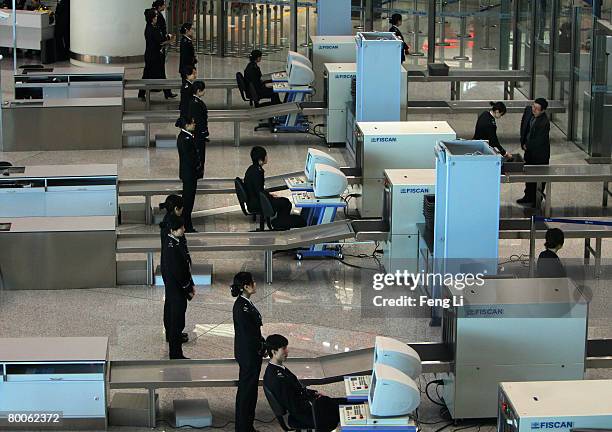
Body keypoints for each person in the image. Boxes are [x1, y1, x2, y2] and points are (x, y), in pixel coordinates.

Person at [263, 334, 349, 432]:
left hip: (305, 405)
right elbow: (294, 406)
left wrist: (312, 394)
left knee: (342, 402)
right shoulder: (277, 378)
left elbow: (296, 390)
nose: (287, 351)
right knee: (341, 410)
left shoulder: (277, 369)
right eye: (284, 348)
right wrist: (313, 402)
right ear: (274, 352)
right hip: (304, 414)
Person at [232, 272, 265, 432]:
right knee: (247, 393)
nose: (255, 284)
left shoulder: (245, 303)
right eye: (253, 282)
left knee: (250, 392)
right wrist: (261, 348)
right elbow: (249, 335)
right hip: (249, 355)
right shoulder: (242, 307)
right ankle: (243, 427)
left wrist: (263, 344)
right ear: (245, 287)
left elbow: (254, 332)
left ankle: (246, 425)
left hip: (251, 353)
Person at [243, 146, 306, 230]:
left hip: (253, 200)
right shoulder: (258, 172)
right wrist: (269, 197)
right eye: (266, 155)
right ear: (260, 160)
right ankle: (280, 224)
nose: (267, 157)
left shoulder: (251, 169)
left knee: (283, 201)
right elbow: (259, 193)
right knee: (286, 203)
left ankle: (280, 222)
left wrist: (268, 194)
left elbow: (258, 190)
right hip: (257, 202)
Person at [160, 213, 195, 359]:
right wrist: (188, 287)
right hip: (177, 289)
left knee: (174, 315)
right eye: (181, 228)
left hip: (174, 287)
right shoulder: (172, 247)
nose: (184, 229)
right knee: (176, 319)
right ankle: (175, 353)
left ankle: (175, 344)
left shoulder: (173, 241)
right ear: (173, 230)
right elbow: (179, 270)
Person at [159, 195, 190, 345]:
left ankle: (173, 332)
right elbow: (176, 261)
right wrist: (186, 284)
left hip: (169, 269)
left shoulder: (170, 221)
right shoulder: (171, 227)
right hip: (172, 272)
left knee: (172, 302)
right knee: (176, 304)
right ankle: (173, 334)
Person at [518, 98, 551, 206]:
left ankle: (536, 199)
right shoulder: (528, 111)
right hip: (529, 152)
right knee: (528, 175)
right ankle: (528, 196)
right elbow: (524, 125)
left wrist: (527, 145)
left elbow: (539, 140)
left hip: (539, 154)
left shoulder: (544, 123)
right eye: (533, 107)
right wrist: (522, 142)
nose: (534, 110)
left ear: (542, 111)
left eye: (537, 109)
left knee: (538, 177)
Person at [138, 9, 173, 100]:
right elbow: (160, 40)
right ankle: (141, 94)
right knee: (147, 75)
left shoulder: (153, 27)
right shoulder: (151, 29)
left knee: (160, 74)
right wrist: (168, 37)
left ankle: (167, 92)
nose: (157, 17)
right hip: (152, 56)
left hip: (155, 55)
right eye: (156, 16)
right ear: (152, 18)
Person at [176, 116, 199, 233]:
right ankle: (187, 226)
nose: (194, 124)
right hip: (189, 174)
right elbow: (191, 158)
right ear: (186, 125)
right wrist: (197, 165)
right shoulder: (185, 139)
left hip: (189, 173)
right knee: (188, 201)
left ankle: (187, 224)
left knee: (189, 200)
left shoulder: (185, 137)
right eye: (192, 123)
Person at [152, 0, 177, 99]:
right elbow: (160, 33)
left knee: (153, 71)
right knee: (160, 71)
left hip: (157, 49)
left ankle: (156, 87)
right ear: (159, 6)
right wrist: (167, 38)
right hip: (157, 50)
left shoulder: (156, 15)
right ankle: (167, 92)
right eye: (163, 5)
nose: (165, 6)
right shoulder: (157, 18)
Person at [187, 81, 208, 181]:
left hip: (198, 133)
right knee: (200, 153)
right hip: (198, 134)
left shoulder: (195, 101)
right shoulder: (195, 104)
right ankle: (198, 173)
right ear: (198, 91)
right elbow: (199, 120)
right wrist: (204, 132)